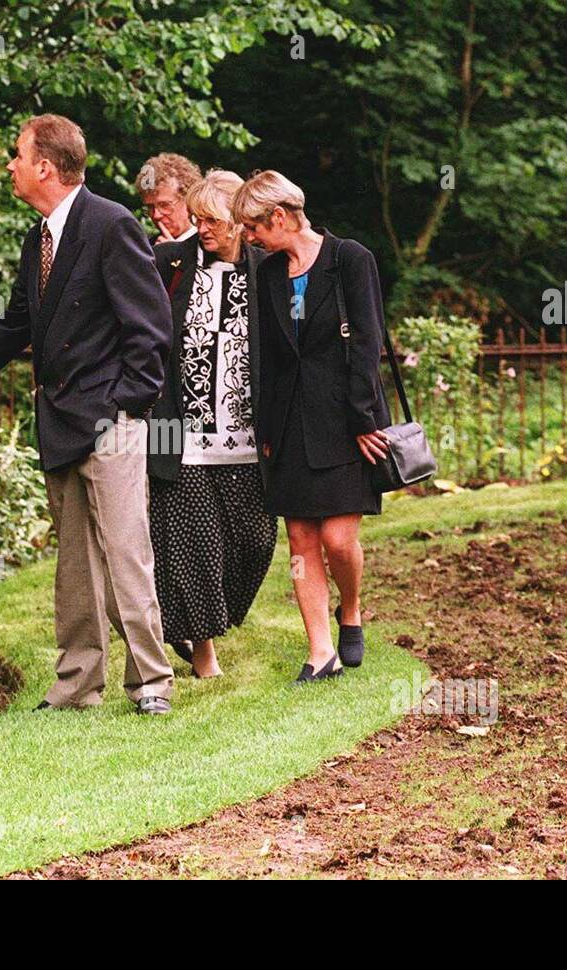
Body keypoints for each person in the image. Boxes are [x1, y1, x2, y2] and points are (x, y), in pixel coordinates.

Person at [0, 114, 176, 714]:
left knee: (127, 556)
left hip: (110, 423)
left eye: (17, 156)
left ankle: (151, 683)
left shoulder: (112, 225)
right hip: (60, 422)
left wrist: (126, 408)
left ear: (45, 167)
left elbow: (151, 331)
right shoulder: (39, 239)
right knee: (75, 567)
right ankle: (78, 686)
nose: (11, 166)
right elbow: (16, 329)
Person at [233, 170, 393, 684]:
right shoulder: (269, 275)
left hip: (348, 422)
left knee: (339, 539)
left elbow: (369, 341)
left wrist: (364, 418)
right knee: (302, 540)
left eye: (254, 228)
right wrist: (264, 428)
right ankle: (319, 652)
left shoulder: (351, 259)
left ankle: (351, 609)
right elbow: (269, 357)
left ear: (278, 217)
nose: (250, 239)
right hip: (288, 424)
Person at [146, 170, 277, 679]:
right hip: (180, 434)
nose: (203, 229)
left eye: (214, 221)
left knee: (255, 541)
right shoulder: (170, 265)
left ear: (241, 224)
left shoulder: (268, 271)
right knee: (193, 542)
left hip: (247, 438)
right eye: (197, 219)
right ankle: (204, 653)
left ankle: (203, 620)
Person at [135, 153, 201, 245]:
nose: (156, 216)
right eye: (150, 207)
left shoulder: (209, 248)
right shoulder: (145, 250)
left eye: (164, 205)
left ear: (190, 201)